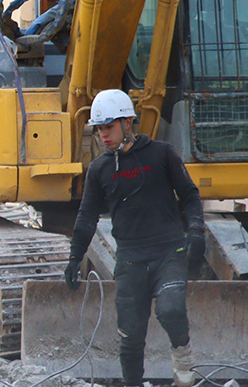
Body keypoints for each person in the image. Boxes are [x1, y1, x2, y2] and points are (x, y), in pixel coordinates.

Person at [63, 89, 205, 387]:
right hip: (130, 259)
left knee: (171, 309)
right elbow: (87, 216)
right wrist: (75, 257)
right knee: (130, 335)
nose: (104, 135)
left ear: (128, 123)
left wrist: (196, 231)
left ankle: (183, 364)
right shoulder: (99, 170)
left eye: (109, 127)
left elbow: (190, 195)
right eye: (99, 129)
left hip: (169, 251)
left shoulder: (162, 153)